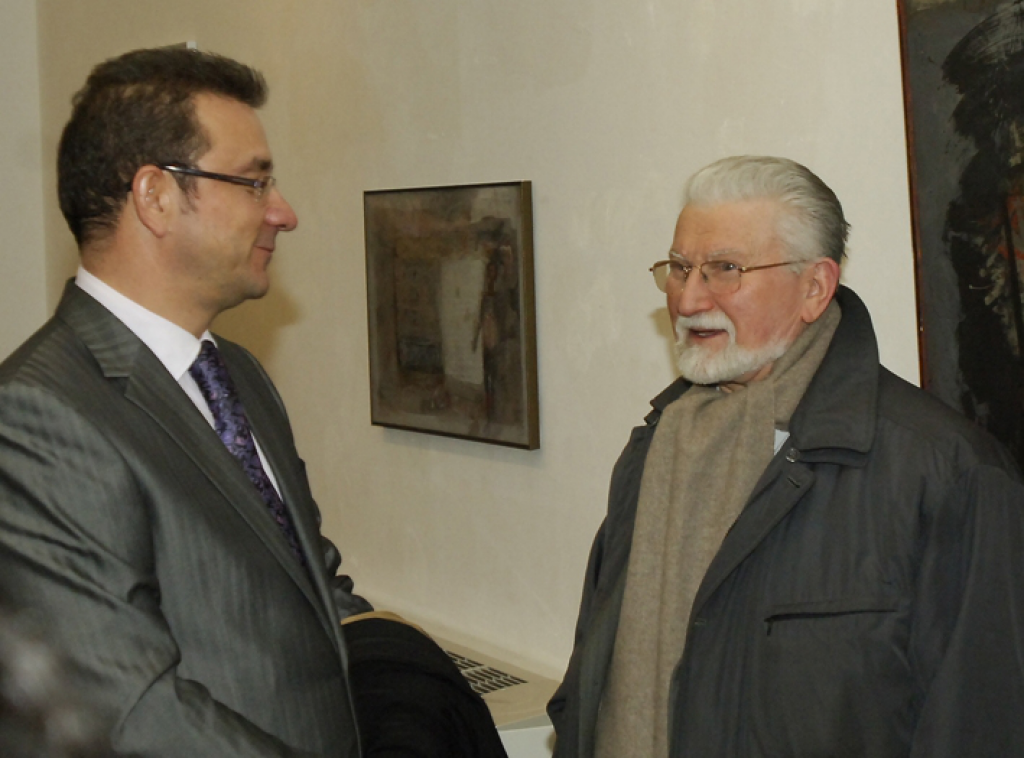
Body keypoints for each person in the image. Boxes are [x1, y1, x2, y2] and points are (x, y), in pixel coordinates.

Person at [547, 155, 1024, 757]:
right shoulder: (655, 447)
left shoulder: (946, 473)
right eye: (680, 268)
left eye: (725, 269)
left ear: (815, 288)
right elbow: (592, 676)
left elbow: (981, 727)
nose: (688, 299)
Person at [0, 46, 372, 756]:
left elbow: (311, 590)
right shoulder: (35, 416)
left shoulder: (237, 375)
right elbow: (128, 711)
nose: (283, 213)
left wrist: (420, 698)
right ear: (156, 197)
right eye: (254, 182)